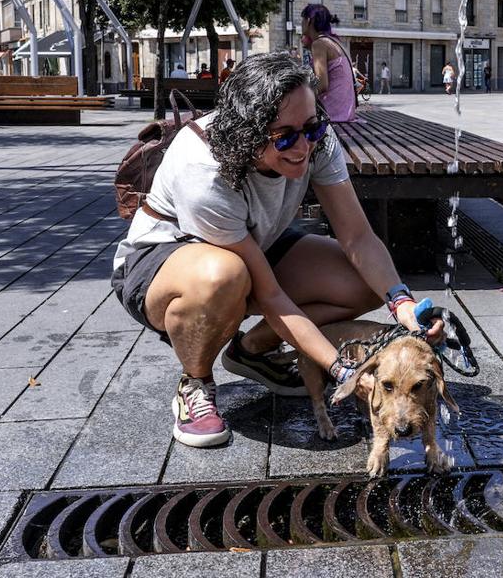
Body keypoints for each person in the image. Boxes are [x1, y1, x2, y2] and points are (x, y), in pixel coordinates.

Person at [110, 52, 442, 447]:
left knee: (367, 283)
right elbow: (270, 295)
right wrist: (339, 370)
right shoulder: (201, 169)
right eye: (284, 136)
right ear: (245, 135)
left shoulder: (314, 139)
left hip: (255, 244)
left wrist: (401, 304)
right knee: (224, 276)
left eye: (311, 128)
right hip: (167, 260)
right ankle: (195, 382)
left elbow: (358, 237)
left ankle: (251, 352)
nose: (302, 146)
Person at [300, 3, 356, 122]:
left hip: (333, 114)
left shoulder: (319, 43)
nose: (301, 24)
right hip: (345, 112)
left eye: (302, 20)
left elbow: (322, 85)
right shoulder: (334, 41)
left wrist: (300, 97)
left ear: (309, 20)